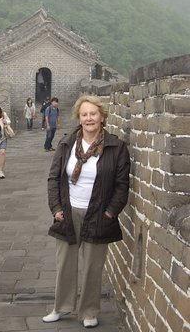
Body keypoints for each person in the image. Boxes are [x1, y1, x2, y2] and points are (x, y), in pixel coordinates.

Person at [43, 95, 130, 328]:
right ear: (79, 118)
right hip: (68, 212)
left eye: (93, 114)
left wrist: (110, 213)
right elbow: (54, 178)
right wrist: (56, 209)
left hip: (98, 214)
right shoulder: (67, 143)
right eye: (84, 114)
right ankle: (61, 307)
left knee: (93, 266)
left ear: (102, 117)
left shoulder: (116, 147)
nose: (89, 118)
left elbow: (122, 186)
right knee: (64, 264)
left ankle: (89, 311)